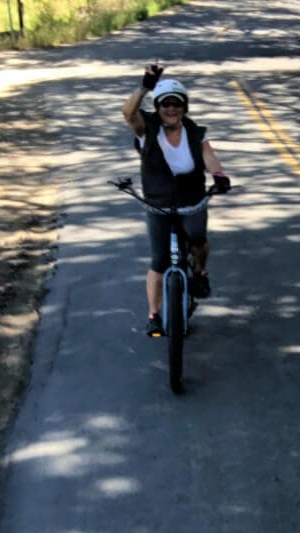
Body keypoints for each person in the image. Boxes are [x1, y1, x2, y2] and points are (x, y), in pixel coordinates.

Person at [122, 65, 231, 337]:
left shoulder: (195, 132)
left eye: (177, 104)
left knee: (197, 237)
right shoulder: (148, 129)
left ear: (184, 107)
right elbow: (128, 113)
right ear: (158, 107)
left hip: (191, 199)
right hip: (158, 203)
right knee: (159, 261)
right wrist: (145, 87)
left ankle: (201, 272)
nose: (171, 109)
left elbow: (209, 156)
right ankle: (154, 315)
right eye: (166, 104)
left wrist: (218, 174)